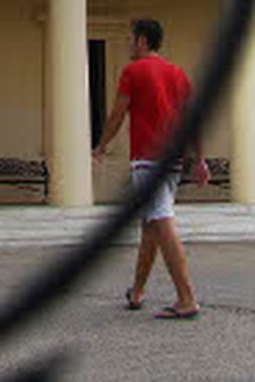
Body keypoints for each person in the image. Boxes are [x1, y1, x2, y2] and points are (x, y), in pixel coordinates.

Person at [93, 17, 205, 320]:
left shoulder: (133, 71)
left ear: (142, 40)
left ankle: (187, 298)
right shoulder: (177, 74)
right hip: (173, 161)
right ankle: (138, 291)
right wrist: (199, 159)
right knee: (150, 227)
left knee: (161, 220)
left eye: (130, 38)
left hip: (148, 159)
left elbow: (117, 114)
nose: (128, 44)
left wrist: (101, 145)